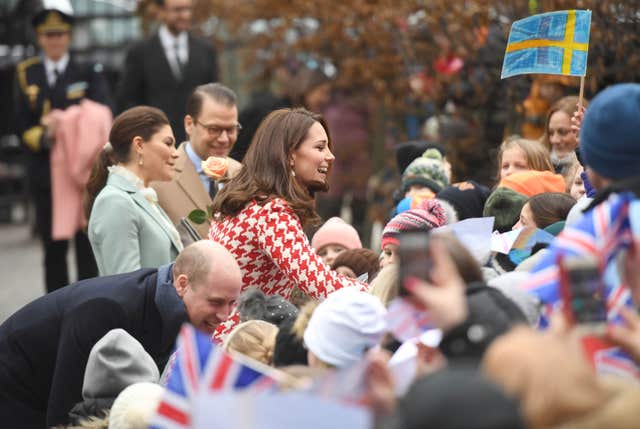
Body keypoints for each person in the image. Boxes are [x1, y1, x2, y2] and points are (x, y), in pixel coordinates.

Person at [0, 241, 242, 427]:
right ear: (181, 284)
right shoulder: (108, 310)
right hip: (15, 387)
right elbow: (64, 413)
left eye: (233, 303)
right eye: (216, 302)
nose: (225, 315)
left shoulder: (163, 302)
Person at [209, 108, 365, 337]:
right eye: (320, 147)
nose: (331, 156)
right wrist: (377, 294)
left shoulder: (250, 202)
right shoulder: (271, 211)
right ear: (290, 155)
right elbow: (317, 281)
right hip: (237, 350)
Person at [14, 0, 111, 292]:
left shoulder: (87, 70)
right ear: (40, 38)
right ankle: (54, 312)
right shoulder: (26, 73)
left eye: (59, 33)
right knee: (53, 249)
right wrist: (46, 136)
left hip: (83, 174)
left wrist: (65, 124)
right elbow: (19, 124)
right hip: (46, 172)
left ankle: (87, 308)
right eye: (48, 34)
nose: (54, 40)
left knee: (86, 248)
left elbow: (103, 111)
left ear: (68, 35)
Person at [86, 106, 183, 275]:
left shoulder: (141, 195)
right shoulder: (115, 201)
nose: (176, 154)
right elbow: (125, 286)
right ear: (139, 145)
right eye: (168, 143)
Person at [116, 0, 217, 143]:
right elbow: (128, 101)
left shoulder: (206, 51)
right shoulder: (139, 53)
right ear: (160, 11)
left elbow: (212, 99)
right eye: (177, 10)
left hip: (197, 144)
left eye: (188, 9)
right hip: (154, 144)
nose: (185, 15)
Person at [152, 83, 243, 240]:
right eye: (214, 129)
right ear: (189, 124)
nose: (224, 139)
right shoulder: (159, 177)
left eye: (231, 129)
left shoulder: (242, 175)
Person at [540, 96, 589, 176]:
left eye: (563, 132)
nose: (554, 140)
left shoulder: (596, 172)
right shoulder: (537, 167)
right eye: (551, 133)